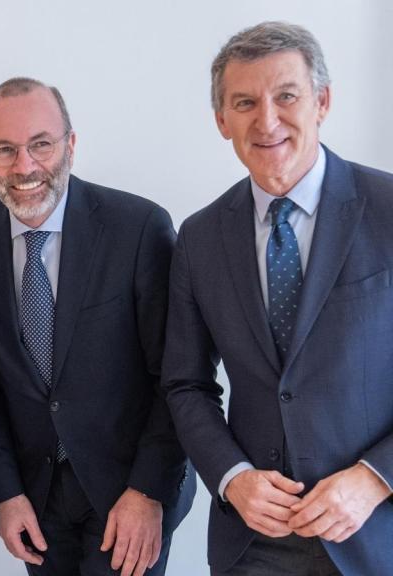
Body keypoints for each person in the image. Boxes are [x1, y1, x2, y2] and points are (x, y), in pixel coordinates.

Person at [162, 21, 393, 576]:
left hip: (377, 534)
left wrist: (376, 477)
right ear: (222, 120)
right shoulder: (199, 237)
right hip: (253, 543)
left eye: (286, 95)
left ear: (322, 101)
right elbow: (185, 383)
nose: (267, 120)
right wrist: (231, 476)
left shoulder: (389, 209)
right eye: (244, 102)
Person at [0, 78, 194, 576]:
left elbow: (177, 377)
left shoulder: (139, 227)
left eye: (41, 144)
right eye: (5, 150)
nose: (25, 166)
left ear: (71, 146)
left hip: (128, 489)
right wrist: (7, 492)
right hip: (37, 499)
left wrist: (148, 492)